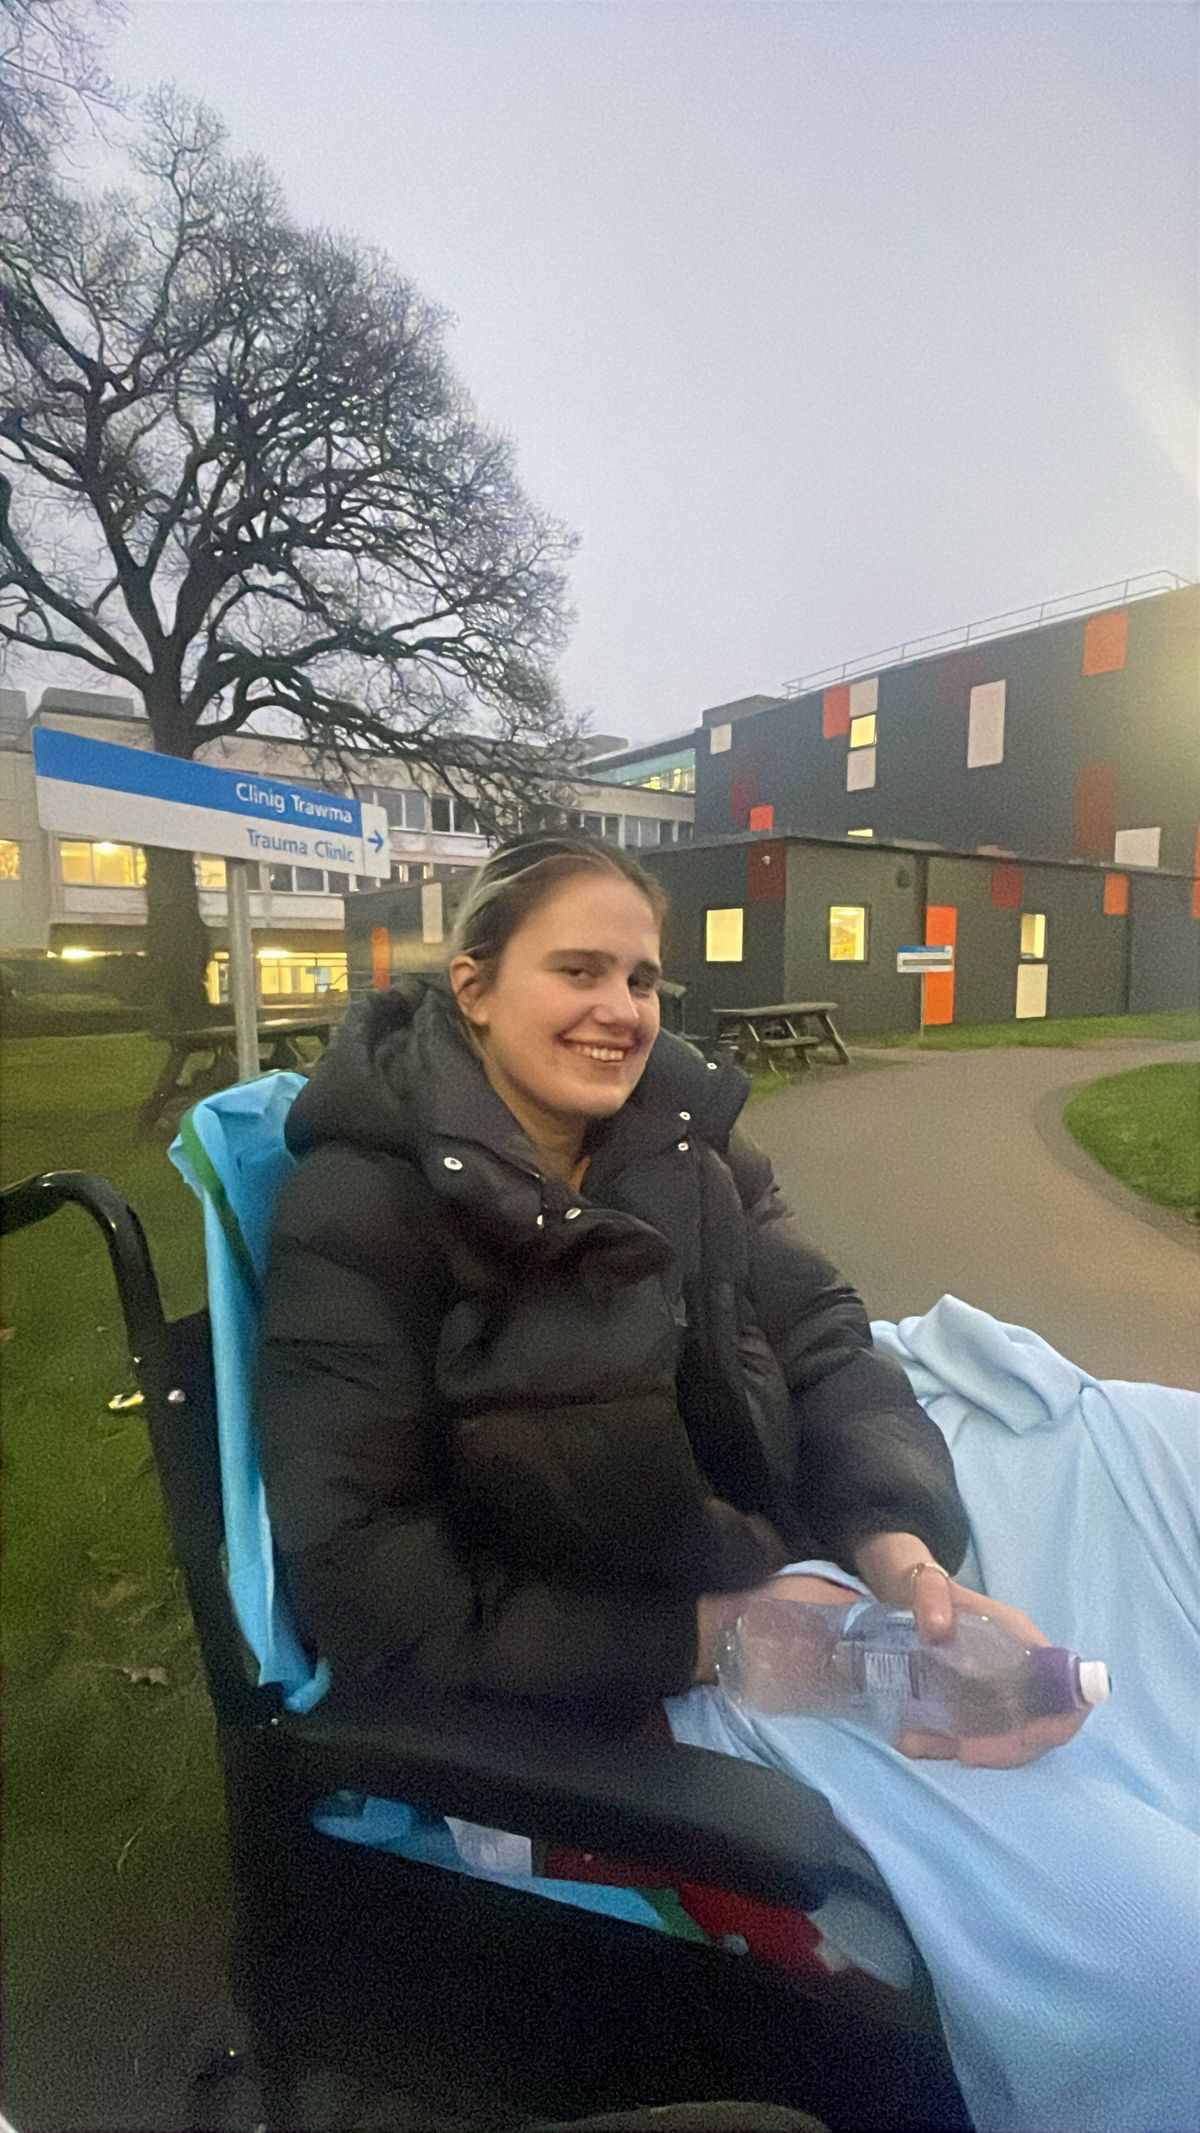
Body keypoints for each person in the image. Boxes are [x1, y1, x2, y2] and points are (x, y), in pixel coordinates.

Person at [256, 833, 1083, 1765]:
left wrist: (897, 1539)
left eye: (642, 980)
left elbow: (821, 1340)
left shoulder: (692, 1146)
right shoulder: (367, 1203)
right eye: (579, 970)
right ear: (474, 990)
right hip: (601, 1686)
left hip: (789, 1571)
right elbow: (364, 1568)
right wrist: (710, 1636)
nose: (621, 1012)